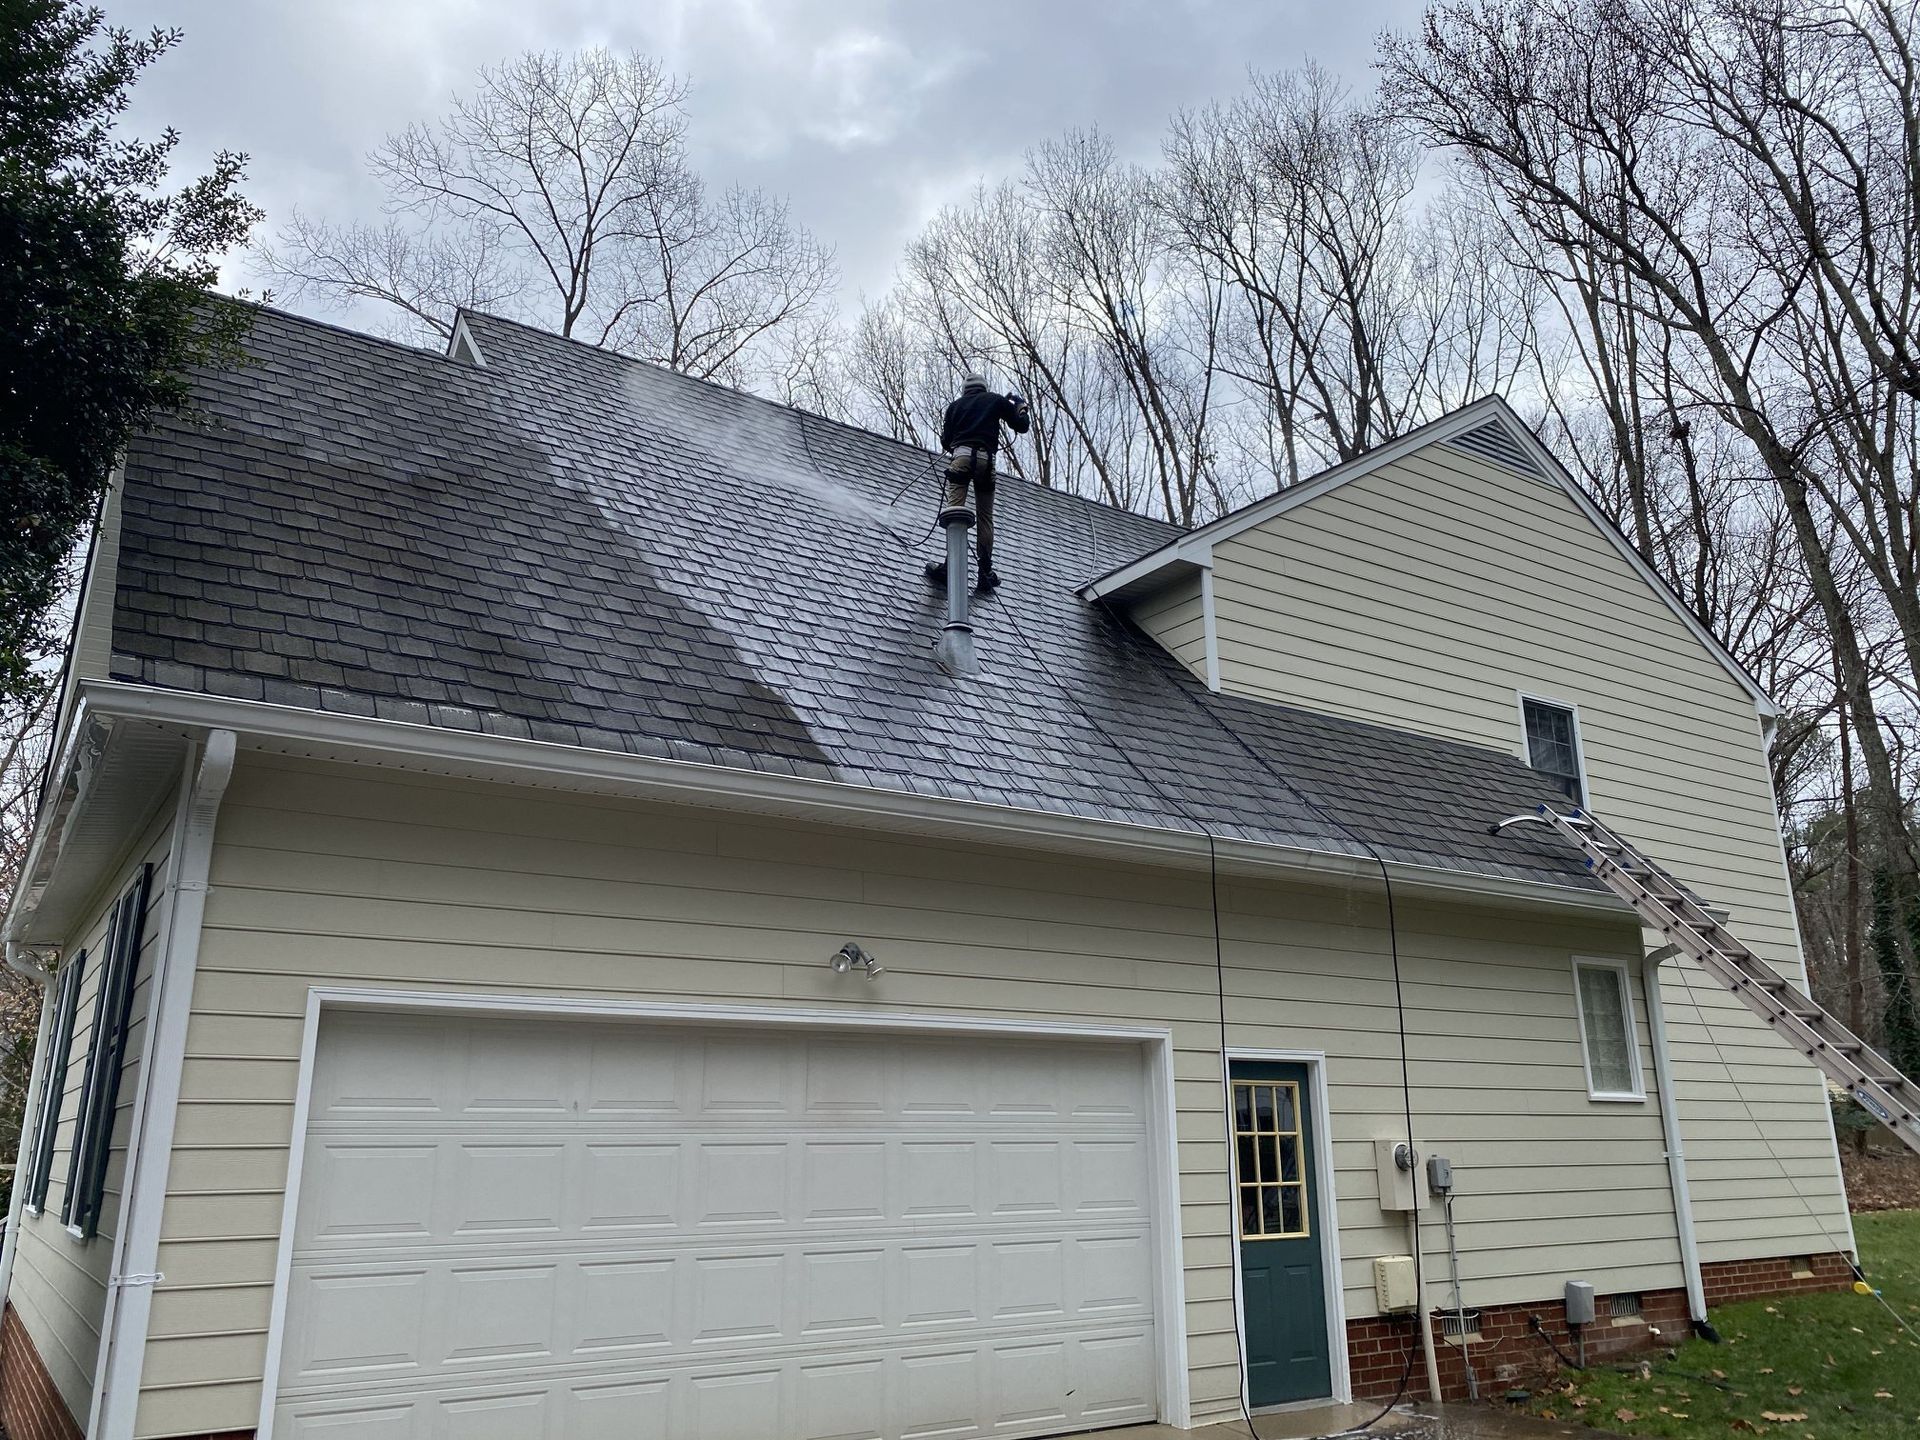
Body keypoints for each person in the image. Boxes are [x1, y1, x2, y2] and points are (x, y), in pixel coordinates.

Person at [926, 371, 1030, 590]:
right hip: (987, 461)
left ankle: (949, 567)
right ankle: (985, 573)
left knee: (955, 512)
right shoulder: (994, 400)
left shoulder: (954, 407)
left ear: (965, 390)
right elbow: (1021, 426)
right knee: (985, 517)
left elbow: (946, 441)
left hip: (961, 458)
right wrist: (1020, 406)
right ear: (983, 387)